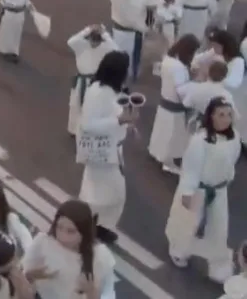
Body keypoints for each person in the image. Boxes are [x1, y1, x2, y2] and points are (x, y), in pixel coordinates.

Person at [164, 97, 240, 282]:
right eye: (221, 115)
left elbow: (232, 160)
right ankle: (179, 250)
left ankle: (218, 263)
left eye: (228, 115)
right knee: (188, 222)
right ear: (211, 116)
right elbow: (191, 167)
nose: (226, 119)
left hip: (219, 189)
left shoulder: (234, 137)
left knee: (219, 226)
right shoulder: (201, 140)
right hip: (199, 188)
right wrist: (187, 191)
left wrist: (227, 178)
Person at [77, 51, 136, 243]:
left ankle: (100, 225)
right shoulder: (97, 93)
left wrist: (127, 125)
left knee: (111, 194)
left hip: (112, 149)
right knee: (101, 194)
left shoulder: (113, 90)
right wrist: (119, 121)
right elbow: (88, 125)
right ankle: (84, 224)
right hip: (101, 151)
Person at [20, 199, 116, 298]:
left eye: (71, 231)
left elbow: (107, 293)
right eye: (59, 227)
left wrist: (91, 291)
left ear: (84, 232)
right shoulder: (43, 242)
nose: (63, 237)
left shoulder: (100, 257)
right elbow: (20, 280)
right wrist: (32, 275)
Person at [148, 34, 200, 173]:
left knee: (162, 133)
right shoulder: (178, 67)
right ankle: (168, 162)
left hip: (165, 102)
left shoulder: (168, 59)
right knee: (172, 137)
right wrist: (195, 83)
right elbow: (181, 90)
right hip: (175, 106)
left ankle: (157, 153)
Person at [65, 25, 118, 136]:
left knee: (93, 107)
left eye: (97, 40)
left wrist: (105, 34)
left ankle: (90, 129)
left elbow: (116, 50)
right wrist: (87, 30)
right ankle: (75, 129)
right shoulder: (81, 45)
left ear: (101, 40)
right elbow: (70, 42)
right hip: (81, 81)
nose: (94, 43)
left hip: (96, 83)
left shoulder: (104, 48)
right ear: (88, 38)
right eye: (92, 39)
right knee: (76, 105)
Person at [110, 0, 156, 82]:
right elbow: (127, 18)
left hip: (139, 28)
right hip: (124, 31)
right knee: (123, 56)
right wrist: (146, 29)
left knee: (137, 52)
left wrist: (153, 6)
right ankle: (121, 78)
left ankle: (134, 74)